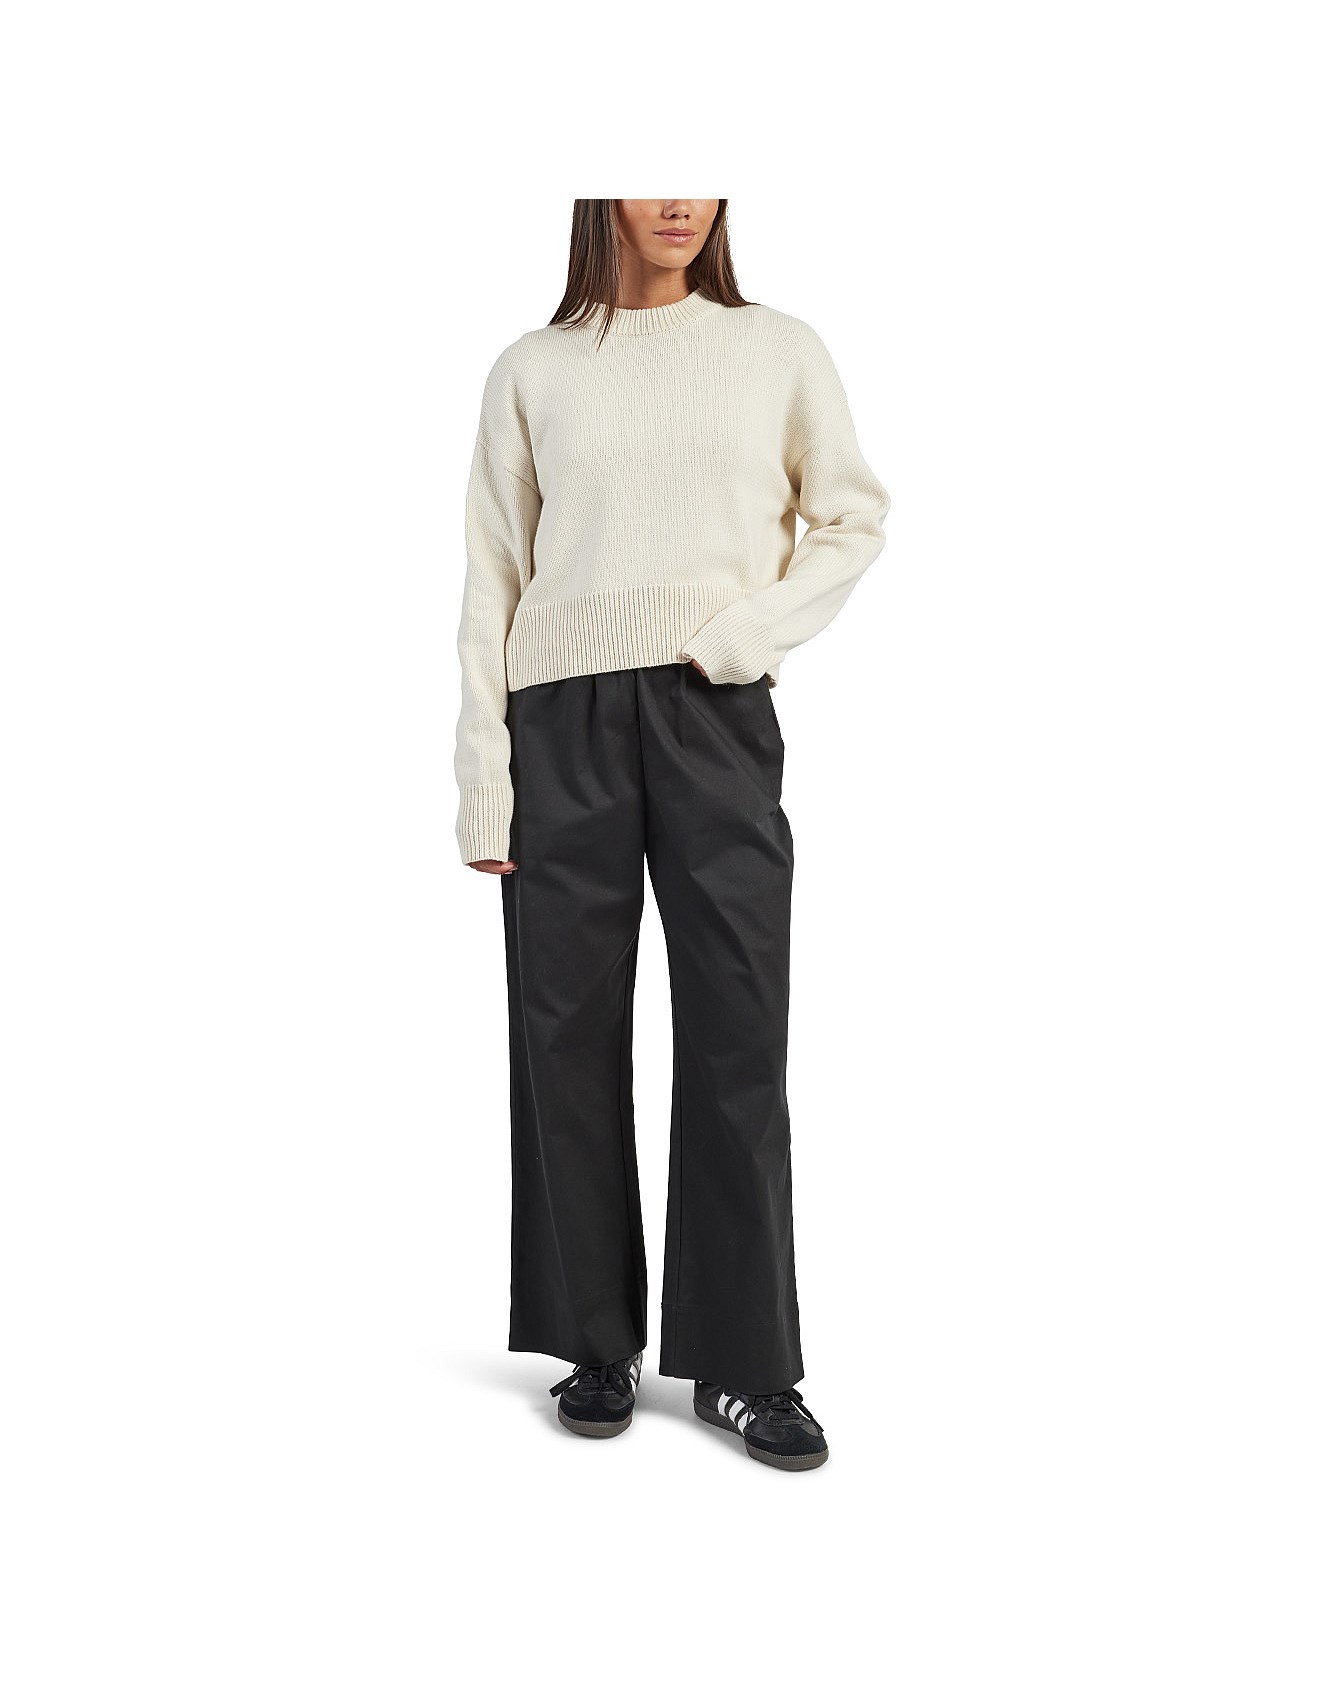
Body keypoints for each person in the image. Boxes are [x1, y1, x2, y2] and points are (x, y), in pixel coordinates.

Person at [454, 199, 890, 1471]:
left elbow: (854, 517)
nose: (676, 200)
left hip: (715, 709)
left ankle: (746, 1363)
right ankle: (593, 1338)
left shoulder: (778, 349)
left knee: (739, 1030)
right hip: (558, 722)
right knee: (564, 1036)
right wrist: (485, 775)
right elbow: (491, 576)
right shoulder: (532, 369)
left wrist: (747, 634)